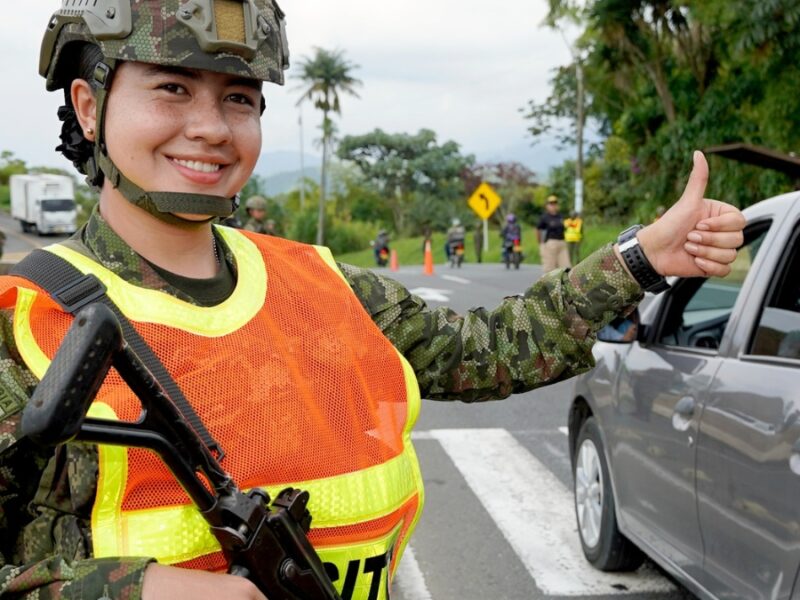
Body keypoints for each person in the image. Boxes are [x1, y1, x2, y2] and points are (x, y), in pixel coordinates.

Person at [0, 2, 745, 599]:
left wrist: (642, 260)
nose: (210, 127)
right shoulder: (23, 322)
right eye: (170, 88)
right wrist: (132, 591)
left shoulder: (324, 283)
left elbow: (487, 351)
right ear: (90, 106)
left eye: (239, 98)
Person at [537, 195, 571, 273]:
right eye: (551, 204)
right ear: (547, 206)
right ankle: (550, 284)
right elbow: (538, 229)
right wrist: (540, 243)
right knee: (550, 268)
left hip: (562, 243)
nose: (553, 206)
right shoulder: (545, 217)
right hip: (551, 243)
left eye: (555, 203)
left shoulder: (561, 216)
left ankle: (563, 284)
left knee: (566, 268)